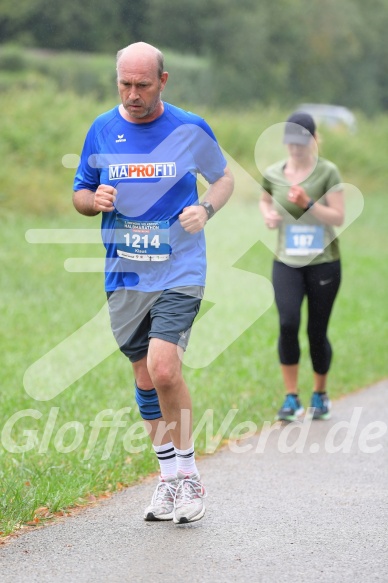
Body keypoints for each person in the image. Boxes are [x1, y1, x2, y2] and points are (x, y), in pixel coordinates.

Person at [72, 42, 234, 523]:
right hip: (124, 271)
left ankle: (189, 477)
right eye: (125, 83)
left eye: (142, 84)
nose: (132, 94)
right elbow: (80, 191)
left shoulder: (189, 127)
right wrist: (93, 200)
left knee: (165, 369)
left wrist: (205, 208)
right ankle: (166, 480)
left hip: (180, 268)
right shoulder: (103, 128)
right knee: (144, 377)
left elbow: (223, 179)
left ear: (163, 81)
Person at [259, 112, 344, 422]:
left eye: (302, 141)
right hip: (286, 261)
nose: (296, 148)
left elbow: (338, 217)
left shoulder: (327, 172)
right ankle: (291, 397)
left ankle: (320, 394)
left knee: (316, 331)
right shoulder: (273, 173)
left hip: (323, 263)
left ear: (313, 139)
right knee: (287, 323)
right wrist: (268, 214)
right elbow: (265, 200)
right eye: (291, 142)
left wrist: (309, 203)